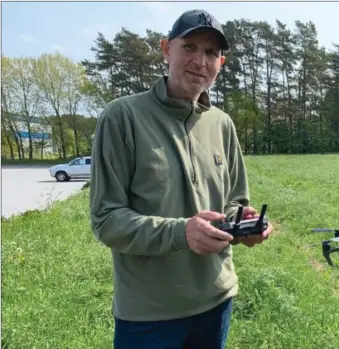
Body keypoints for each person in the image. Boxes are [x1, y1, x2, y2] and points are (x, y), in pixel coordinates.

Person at [89, 9, 272, 349]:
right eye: (189, 47)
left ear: (222, 63)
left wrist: (242, 222)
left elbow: (234, 201)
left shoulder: (222, 124)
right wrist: (181, 232)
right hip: (148, 314)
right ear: (165, 49)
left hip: (217, 301)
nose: (200, 61)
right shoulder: (123, 116)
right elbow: (106, 219)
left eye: (211, 53)